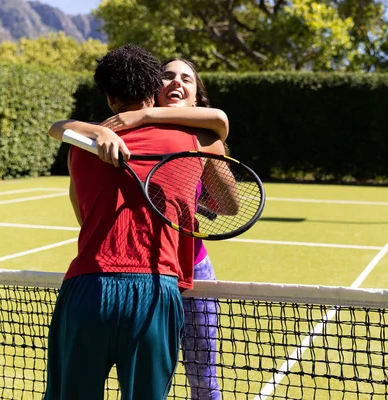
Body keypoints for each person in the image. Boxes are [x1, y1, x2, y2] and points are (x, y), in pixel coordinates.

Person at [44, 44, 228, 400]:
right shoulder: (197, 140)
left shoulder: (80, 147)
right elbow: (220, 128)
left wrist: (98, 131)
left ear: (110, 99)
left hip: (86, 290)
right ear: (153, 92)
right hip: (155, 291)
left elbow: (82, 213)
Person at [99, 58, 224, 400]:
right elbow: (62, 128)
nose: (176, 82)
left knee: (203, 373)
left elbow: (227, 206)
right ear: (153, 90)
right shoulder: (122, 133)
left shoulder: (206, 136)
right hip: (145, 273)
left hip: (194, 269)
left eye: (187, 78)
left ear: (197, 97)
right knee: (151, 374)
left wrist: (145, 115)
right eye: (167, 75)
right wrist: (101, 130)